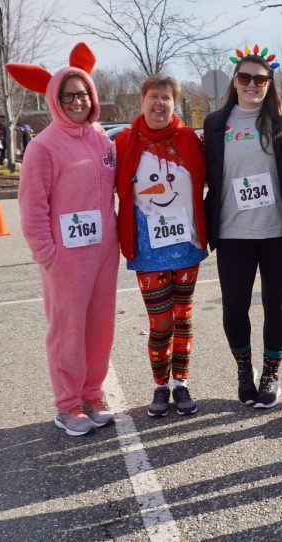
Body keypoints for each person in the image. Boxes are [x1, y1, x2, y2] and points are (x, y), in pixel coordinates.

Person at [8, 42, 118, 436]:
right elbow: (32, 205)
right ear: (55, 99)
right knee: (67, 328)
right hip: (67, 257)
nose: (77, 101)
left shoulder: (102, 138)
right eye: (69, 95)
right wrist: (46, 253)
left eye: (83, 93)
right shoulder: (43, 147)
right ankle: (68, 404)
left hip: (104, 251)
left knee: (101, 325)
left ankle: (92, 392)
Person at [203, 45, 282, 409]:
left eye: (260, 79)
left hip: (277, 232)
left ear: (269, 83)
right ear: (235, 81)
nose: (252, 85)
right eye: (245, 78)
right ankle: (245, 370)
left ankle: (271, 373)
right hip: (232, 231)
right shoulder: (216, 122)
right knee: (234, 307)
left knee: (276, 305)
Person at [115, 74, 208, 417]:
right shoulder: (125, 142)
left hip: (187, 246)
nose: (159, 103)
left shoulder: (188, 139)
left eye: (166, 98)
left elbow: (214, 176)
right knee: (161, 322)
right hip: (147, 249)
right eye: (153, 96)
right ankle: (159, 386)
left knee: (183, 318)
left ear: (175, 103)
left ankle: (180, 383)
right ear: (142, 100)